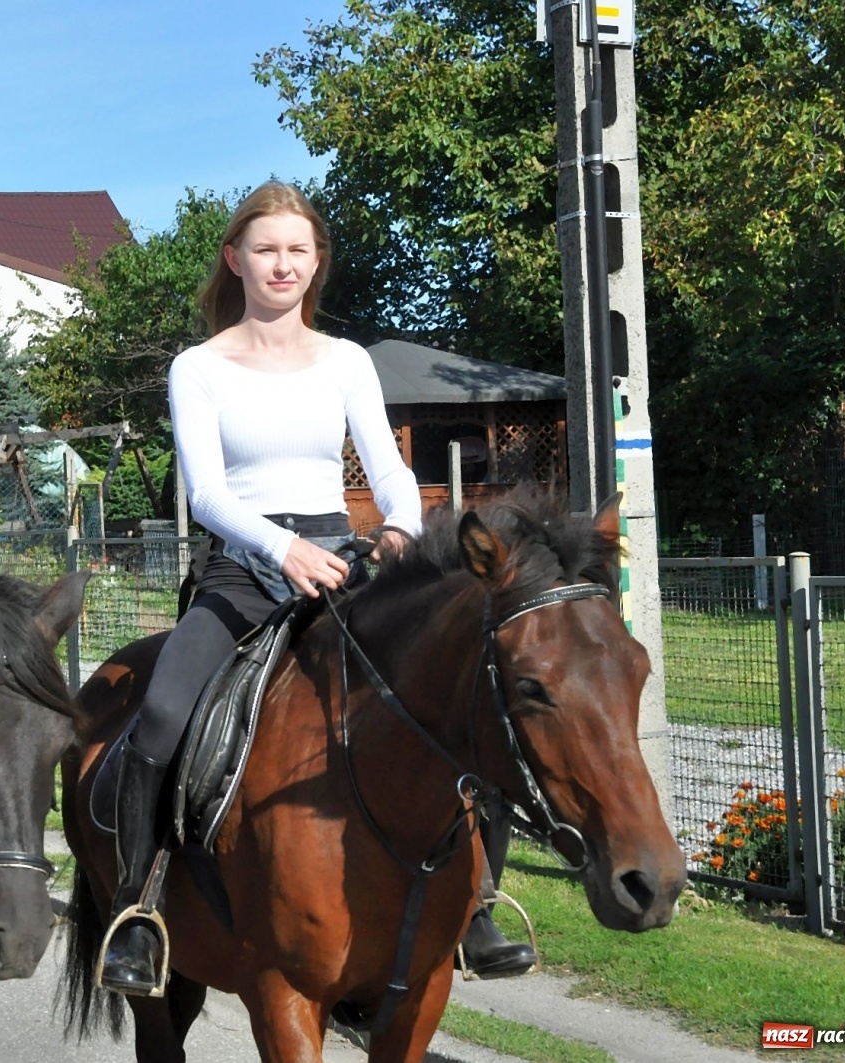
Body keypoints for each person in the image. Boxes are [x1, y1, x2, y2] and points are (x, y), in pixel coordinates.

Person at [97, 181, 531, 995]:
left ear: (316, 261)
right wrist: (282, 547)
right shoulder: (199, 366)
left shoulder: (345, 360)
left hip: (345, 564)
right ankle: (139, 908)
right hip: (243, 567)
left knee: (471, 690)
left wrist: (398, 528)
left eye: (298, 249)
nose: (282, 263)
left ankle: (475, 904)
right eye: (265, 248)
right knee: (159, 713)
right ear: (236, 258)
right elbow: (207, 495)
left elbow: (393, 474)